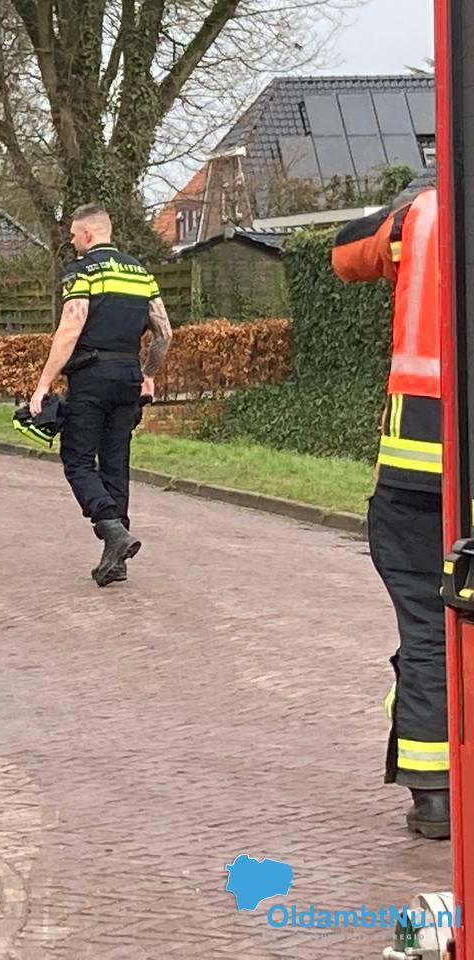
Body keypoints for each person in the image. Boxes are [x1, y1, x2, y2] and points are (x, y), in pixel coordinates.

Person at [332, 177, 447, 839]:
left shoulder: (419, 217)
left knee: (430, 627)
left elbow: (345, 253)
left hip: (414, 470)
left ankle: (434, 796)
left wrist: (410, 201)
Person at [28, 203, 172, 587]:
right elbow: (164, 333)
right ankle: (116, 561)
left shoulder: (83, 270)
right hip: (128, 375)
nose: (72, 241)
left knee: (77, 459)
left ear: (88, 234)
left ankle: (111, 526)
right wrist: (148, 374)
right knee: (115, 463)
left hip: (92, 376)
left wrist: (43, 383)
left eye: (74, 235)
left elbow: (70, 328)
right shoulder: (140, 273)